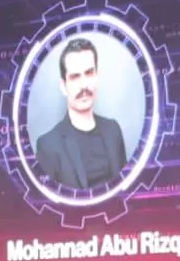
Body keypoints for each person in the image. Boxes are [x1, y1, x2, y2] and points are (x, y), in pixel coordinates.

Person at [33, 37, 128, 188]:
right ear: (63, 86)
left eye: (89, 73)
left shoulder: (113, 130)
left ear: (96, 76)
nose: (84, 85)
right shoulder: (48, 146)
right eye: (75, 77)